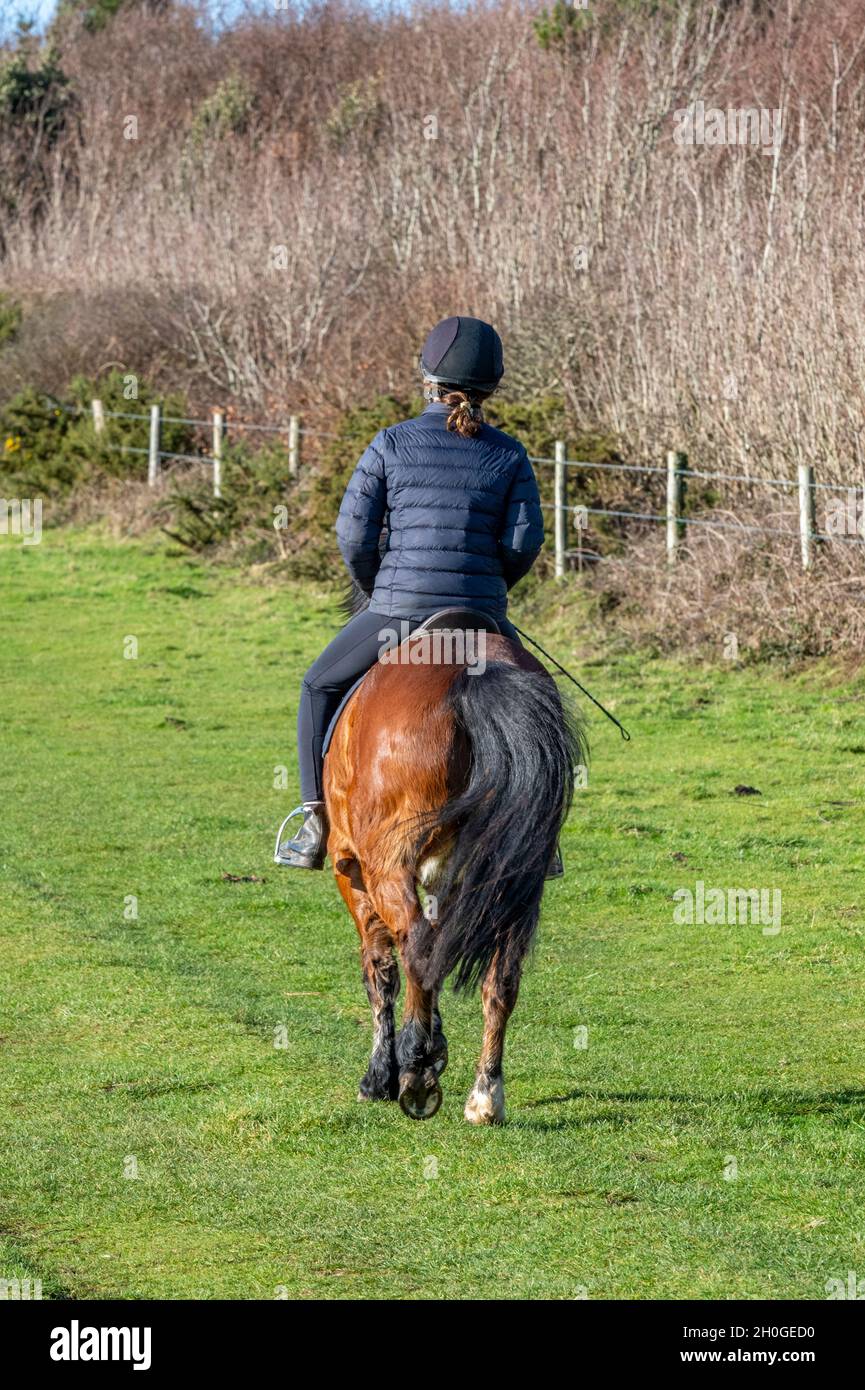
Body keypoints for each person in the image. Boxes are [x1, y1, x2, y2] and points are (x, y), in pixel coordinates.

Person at [275, 315, 544, 870]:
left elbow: (352, 534)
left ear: (426, 377)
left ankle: (313, 822)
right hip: (482, 617)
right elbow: (524, 543)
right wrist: (489, 594)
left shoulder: (391, 444)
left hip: (399, 612)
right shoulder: (510, 454)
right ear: (492, 386)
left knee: (318, 686)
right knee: (539, 701)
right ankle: (545, 836)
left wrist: (381, 590)